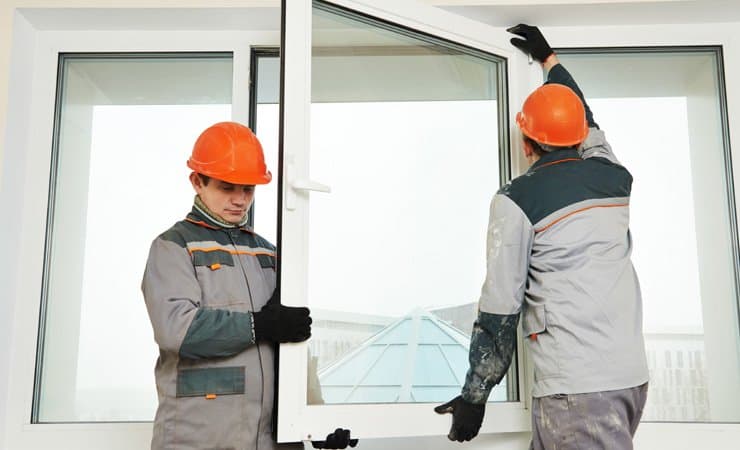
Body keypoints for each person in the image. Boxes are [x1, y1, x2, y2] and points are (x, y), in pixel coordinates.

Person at [435, 25, 649, 449]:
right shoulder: (612, 175)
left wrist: (475, 397)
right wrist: (549, 58)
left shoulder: (517, 200)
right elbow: (585, 117)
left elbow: (500, 307)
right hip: (628, 381)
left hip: (579, 391)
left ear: (526, 141)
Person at [142, 121, 356, 450]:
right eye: (228, 187)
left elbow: (293, 345)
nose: (240, 200)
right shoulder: (173, 247)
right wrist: (259, 325)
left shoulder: (267, 253)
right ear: (197, 181)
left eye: (248, 189)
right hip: (195, 440)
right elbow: (177, 329)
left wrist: (315, 425)